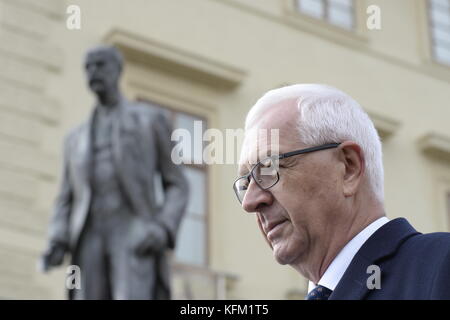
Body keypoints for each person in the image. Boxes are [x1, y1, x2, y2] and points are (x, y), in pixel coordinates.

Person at [233, 84, 450, 300]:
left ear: (348, 168)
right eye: (246, 182)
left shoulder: (441, 267)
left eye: (270, 168)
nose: (250, 202)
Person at [40, 45, 189, 299]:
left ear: (117, 70)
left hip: (132, 230)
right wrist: (58, 237)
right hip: (88, 236)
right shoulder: (75, 139)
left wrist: (162, 227)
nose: (93, 72)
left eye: (100, 65)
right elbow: (66, 197)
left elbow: (177, 183)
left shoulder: (151, 120)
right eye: (88, 67)